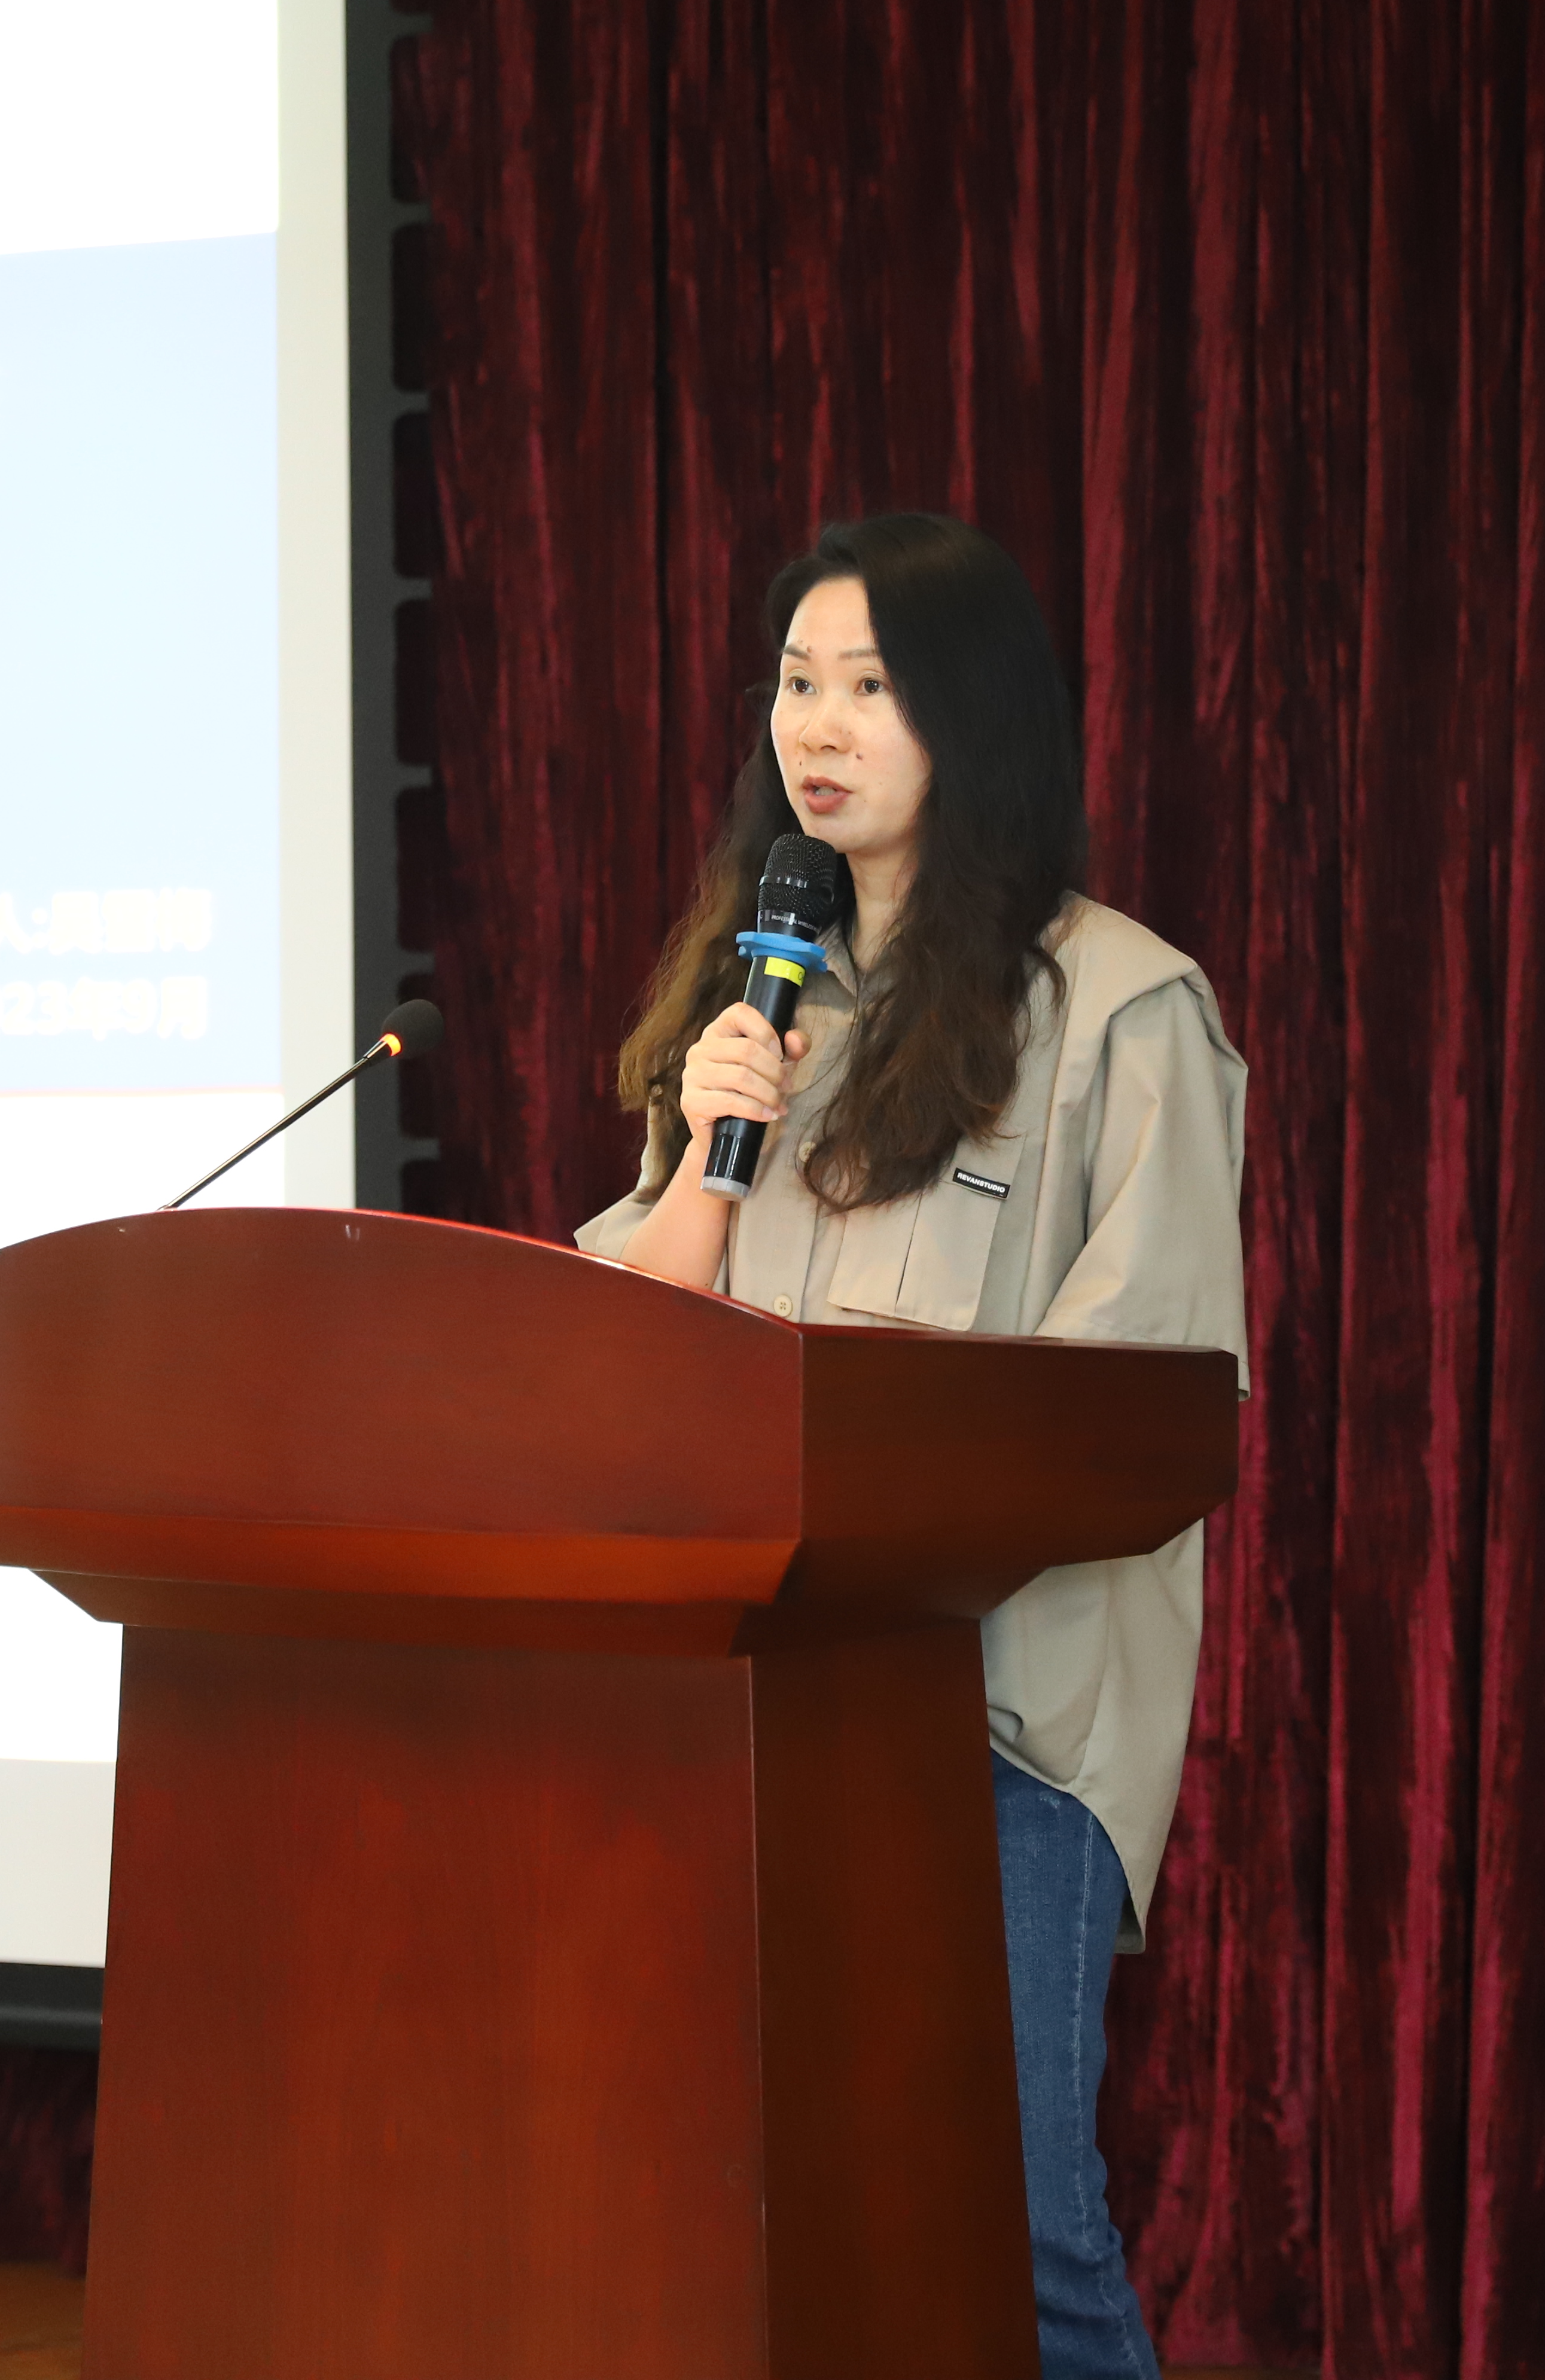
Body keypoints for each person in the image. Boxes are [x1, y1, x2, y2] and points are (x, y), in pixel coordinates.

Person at [575, 511, 1248, 2380]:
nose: (818, 724)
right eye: (797, 682)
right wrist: (708, 1172)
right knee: (782, 2214)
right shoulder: (754, 1001)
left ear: (973, 714)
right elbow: (618, 1368)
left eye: (870, 686)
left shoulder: (1120, 1008)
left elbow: (1145, 1408)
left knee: (1015, 2218)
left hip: (1004, 1727)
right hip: (757, 1708)